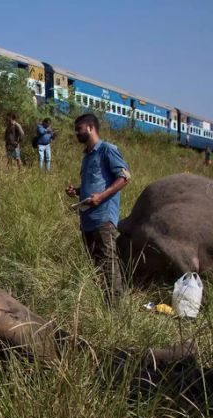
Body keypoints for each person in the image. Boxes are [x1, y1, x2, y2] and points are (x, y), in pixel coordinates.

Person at [65, 113, 130, 305]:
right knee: (97, 265)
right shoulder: (87, 157)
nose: (77, 133)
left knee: (109, 263)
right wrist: (76, 191)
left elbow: (125, 177)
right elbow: (93, 185)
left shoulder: (107, 150)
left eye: (79, 129)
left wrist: (101, 197)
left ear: (91, 128)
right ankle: (104, 302)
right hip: (87, 220)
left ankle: (115, 308)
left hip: (103, 219)